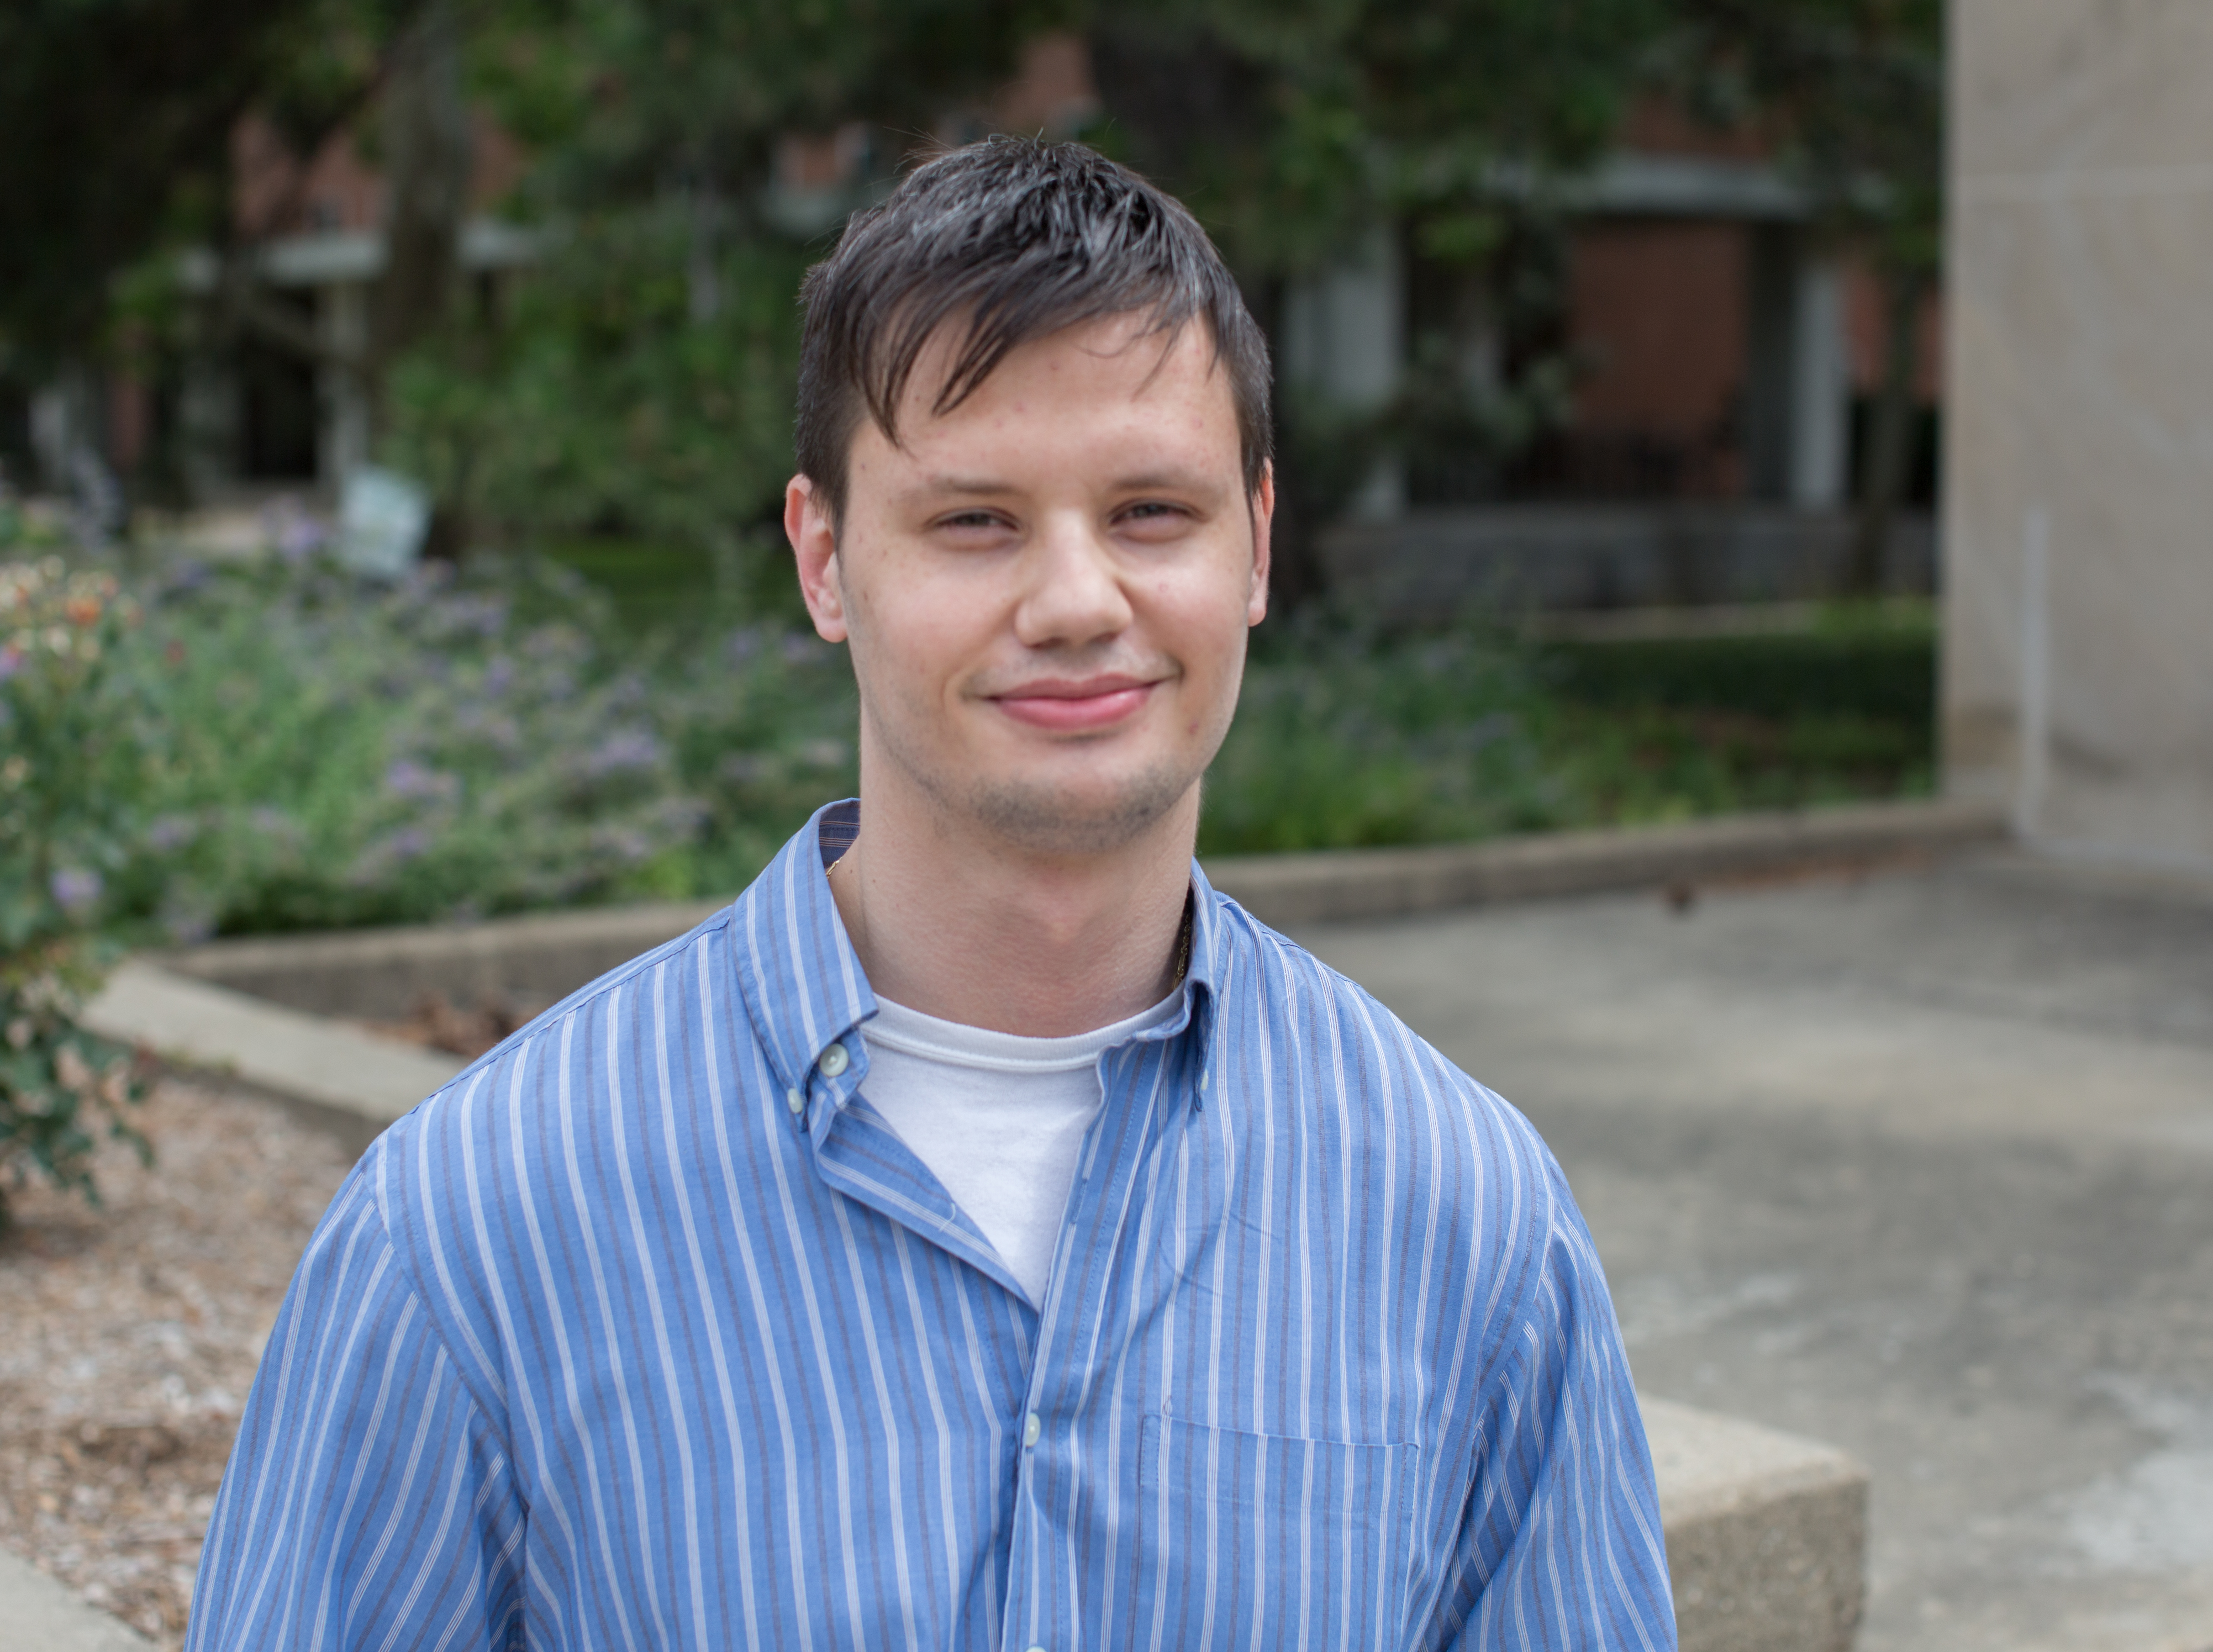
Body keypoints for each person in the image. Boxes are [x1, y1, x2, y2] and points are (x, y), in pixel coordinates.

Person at [185, 138, 1673, 1651]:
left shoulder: (1469, 1218)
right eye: (976, 520)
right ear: (825, 560)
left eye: (1153, 512)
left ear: (1259, 547)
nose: (1080, 599)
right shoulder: (474, 1229)